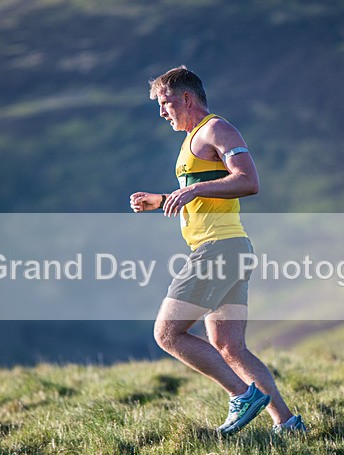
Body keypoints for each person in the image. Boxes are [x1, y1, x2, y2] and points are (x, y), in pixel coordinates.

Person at [130, 66, 306, 435]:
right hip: (230, 249)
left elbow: (248, 180)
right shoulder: (193, 139)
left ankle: (243, 396)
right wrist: (161, 199)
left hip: (219, 249)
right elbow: (206, 190)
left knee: (167, 334)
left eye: (165, 103)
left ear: (186, 98)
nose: (162, 113)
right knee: (229, 346)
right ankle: (288, 424)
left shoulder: (216, 129)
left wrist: (192, 191)